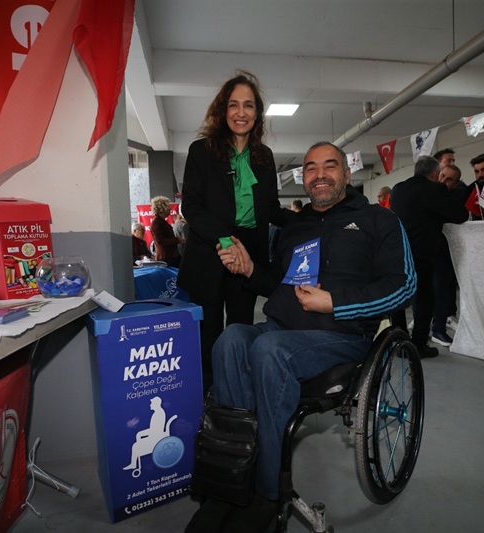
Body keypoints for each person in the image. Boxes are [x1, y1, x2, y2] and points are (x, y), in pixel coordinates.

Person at [185, 142, 415, 532]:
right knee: (231, 340)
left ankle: (267, 495)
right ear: (302, 178)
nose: (319, 174)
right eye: (310, 168)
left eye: (329, 166)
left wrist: (335, 302)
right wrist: (250, 269)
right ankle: (231, 483)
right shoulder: (294, 227)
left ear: (347, 173)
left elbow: (404, 286)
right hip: (283, 328)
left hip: (343, 335)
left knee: (270, 349)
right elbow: (276, 284)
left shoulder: (379, 220)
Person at [177, 71, 291, 388]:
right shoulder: (201, 151)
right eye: (234, 105)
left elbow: (270, 209)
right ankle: (208, 399)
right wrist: (225, 240)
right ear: (223, 110)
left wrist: (308, 217)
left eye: (249, 105)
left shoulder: (264, 157)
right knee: (209, 336)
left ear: (257, 113)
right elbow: (192, 207)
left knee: (240, 331)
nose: (241, 113)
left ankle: (236, 396)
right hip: (210, 252)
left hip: (248, 255)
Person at [390, 156, 469, 358]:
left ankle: (399, 340)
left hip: (398, 250)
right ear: (435, 173)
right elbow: (460, 215)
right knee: (425, 297)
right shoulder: (435, 189)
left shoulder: (398, 188)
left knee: (398, 298)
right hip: (421, 252)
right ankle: (418, 344)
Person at [431, 164, 467, 346]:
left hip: (443, 250)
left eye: (449, 179)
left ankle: (438, 329)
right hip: (422, 248)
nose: (443, 180)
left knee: (441, 288)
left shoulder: (453, 197)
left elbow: (461, 215)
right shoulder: (426, 191)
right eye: (442, 175)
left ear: (455, 183)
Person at [149, 196, 183, 268]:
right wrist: (177, 240)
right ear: (162, 208)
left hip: (171, 256)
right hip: (167, 258)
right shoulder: (156, 223)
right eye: (168, 206)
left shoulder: (161, 221)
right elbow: (160, 241)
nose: (170, 209)